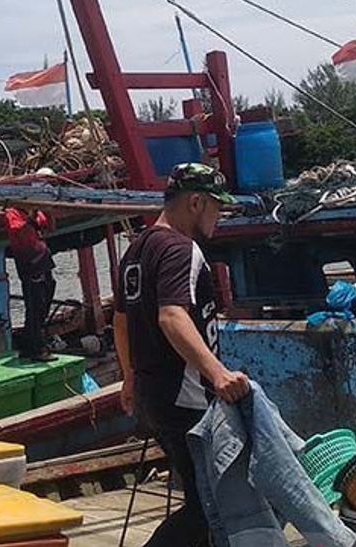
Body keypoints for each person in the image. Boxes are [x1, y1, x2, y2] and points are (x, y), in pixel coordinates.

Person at [113, 162, 251, 547]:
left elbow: (120, 322)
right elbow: (172, 316)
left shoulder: (139, 247)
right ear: (195, 202)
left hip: (152, 398)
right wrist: (217, 373)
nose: (220, 217)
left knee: (202, 498)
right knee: (211, 507)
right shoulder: (180, 250)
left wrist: (129, 377)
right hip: (185, 397)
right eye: (216, 207)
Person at [5, 206, 56, 362]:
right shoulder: (12, 213)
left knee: (44, 303)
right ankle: (36, 348)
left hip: (43, 263)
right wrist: (32, 217)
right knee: (34, 307)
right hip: (30, 266)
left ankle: (31, 345)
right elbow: (19, 229)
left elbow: (50, 227)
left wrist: (47, 209)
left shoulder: (33, 212)